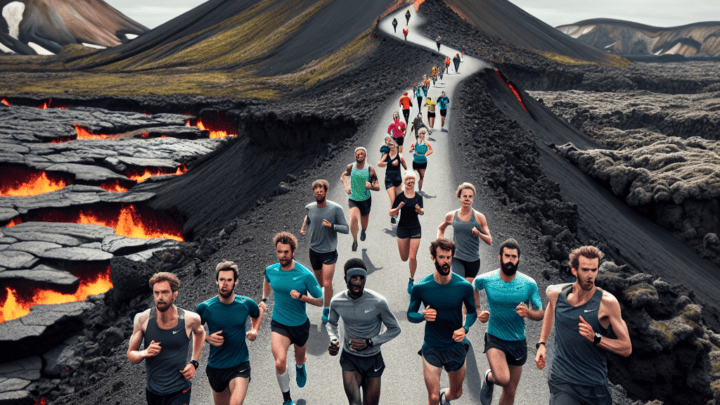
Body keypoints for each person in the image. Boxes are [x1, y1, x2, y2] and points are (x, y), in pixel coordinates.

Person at [535, 246, 632, 405]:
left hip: (595, 387)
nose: (590, 275)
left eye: (594, 270)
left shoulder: (607, 303)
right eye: (585, 269)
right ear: (574, 270)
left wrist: (597, 338)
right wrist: (542, 343)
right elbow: (551, 308)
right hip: (562, 380)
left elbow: (626, 347)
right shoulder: (555, 294)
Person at [474, 239, 544, 405]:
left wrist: (528, 313)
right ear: (500, 257)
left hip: (517, 340)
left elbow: (541, 312)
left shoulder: (529, 284)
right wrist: (477, 310)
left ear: (518, 259)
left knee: (510, 392)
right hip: (495, 337)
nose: (510, 260)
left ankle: (491, 378)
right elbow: (473, 285)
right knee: (503, 378)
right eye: (507, 256)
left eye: (514, 256)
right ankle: (490, 376)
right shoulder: (488, 279)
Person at [408, 239, 477, 405]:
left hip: (455, 345)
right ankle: (437, 398)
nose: (445, 261)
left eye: (448, 257)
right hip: (432, 346)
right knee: (431, 397)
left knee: (456, 393)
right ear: (433, 258)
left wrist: (465, 328)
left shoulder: (463, 286)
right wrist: (422, 315)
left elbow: (472, 312)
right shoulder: (421, 287)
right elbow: (411, 314)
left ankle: (444, 397)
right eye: (441, 257)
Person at [260, 232, 324, 405]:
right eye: (279, 252)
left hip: (300, 325)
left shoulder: (305, 274)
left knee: (299, 358)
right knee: (280, 362)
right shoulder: (271, 270)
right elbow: (267, 280)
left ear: (293, 251)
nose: (282, 256)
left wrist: (302, 298)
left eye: (286, 252)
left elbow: (320, 301)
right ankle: (287, 400)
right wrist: (264, 299)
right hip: (279, 323)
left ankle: (301, 366)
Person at [327, 258, 402, 405]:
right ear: (346, 279)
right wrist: (334, 339)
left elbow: (395, 329)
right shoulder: (337, 301)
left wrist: (371, 342)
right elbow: (331, 323)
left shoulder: (378, 302)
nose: (357, 282)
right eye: (353, 277)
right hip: (350, 358)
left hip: (372, 359)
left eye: (361, 278)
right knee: (355, 404)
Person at [127, 272, 205, 405]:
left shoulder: (190, 319)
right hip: (153, 392)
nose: (160, 297)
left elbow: (200, 332)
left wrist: (194, 362)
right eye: (156, 293)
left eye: (164, 292)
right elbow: (131, 355)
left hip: (180, 389)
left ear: (175, 293)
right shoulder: (142, 319)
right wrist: (145, 352)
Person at [197, 262, 265, 405]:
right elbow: (194, 328)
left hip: (240, 365)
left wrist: (255, 329)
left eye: (229, 280)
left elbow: (257, 313)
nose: (224, 283)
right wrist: (207, 337)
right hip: (216, 367)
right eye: (221, 279)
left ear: (235, 282)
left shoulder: (245, 304)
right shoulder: (205, 307)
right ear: (217, 281)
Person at [437, 182, 493, 312]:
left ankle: (463, 322)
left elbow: (490, 240)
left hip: (473, 261)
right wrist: (440, 243)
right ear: (459, 197)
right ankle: (457, 323)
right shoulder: (452, 215)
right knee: (460, 288)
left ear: (473, 198)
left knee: (465, 290)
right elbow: (441, 228)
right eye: (465, 196)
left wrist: (478, 233)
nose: (467, 199)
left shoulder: (479, 217)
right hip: (457, 258)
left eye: (470, 196)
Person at [300, 179, 349, 323]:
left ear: (326, 192)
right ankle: (327, 298)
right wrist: (304, 228)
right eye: (316, 191)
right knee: (320, 284)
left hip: (329, 251)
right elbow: (308, 219)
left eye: (321, 191)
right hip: (314, 251)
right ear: (314, 192)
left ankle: (327, 308)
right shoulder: (310, 207)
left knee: (327, 283)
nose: (319, 193)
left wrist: (332, 226)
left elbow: (345, 228)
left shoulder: (335, 209)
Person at [389, 171, 424, 293]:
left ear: (414, 182)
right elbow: (391, 212)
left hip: (415, 228)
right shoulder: (400, 197)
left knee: (412, 256)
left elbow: (422, 211)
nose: (410, 182)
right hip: (402, 228)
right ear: (405, 182)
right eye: (408, 179)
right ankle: (411, 277)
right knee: (404, 258)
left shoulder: (418, 197)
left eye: (412, 180)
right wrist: (399, 207)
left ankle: (411, 280)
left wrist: (419, 210)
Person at [341, 147, 380, 251]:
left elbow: (377, 186)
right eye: (358, 154)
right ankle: (354, 241)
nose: (360, 155)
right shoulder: (351, 167)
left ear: (365, 155)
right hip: (353, 199)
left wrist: (370, 186)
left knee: (364, 220)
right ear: (355, 155)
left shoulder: (369, 168)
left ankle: (363, 230)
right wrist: (346, 186)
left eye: (362, 153)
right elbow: (344, 175)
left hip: (365, 200)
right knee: (353, 219)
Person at [378, 139, 407, 224]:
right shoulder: (386, 155)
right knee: (393, 200)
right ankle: (394, 217)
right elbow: (379, 163)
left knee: (400, 201)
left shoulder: (399, 155)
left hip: (398, 180)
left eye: (393, 144)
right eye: (389, 145)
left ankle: (395, 214)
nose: (392, 146)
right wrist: (388, 162)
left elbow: (404, 163)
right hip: (389, 180)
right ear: (388, 146)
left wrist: (407, 171)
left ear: (395, 145)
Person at [409, 128, 433, 192]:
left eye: (423, 133)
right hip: (416, 161)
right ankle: (413, 189)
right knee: (415, 176)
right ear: (419, 134)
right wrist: (412, 149)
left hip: (423, 162)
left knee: (422, 177)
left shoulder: (426, 142)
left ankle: (419, 190)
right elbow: (410, 149)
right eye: (421, 133)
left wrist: (426, 154)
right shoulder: (415, 141)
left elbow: (431, 150)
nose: (422, 134)